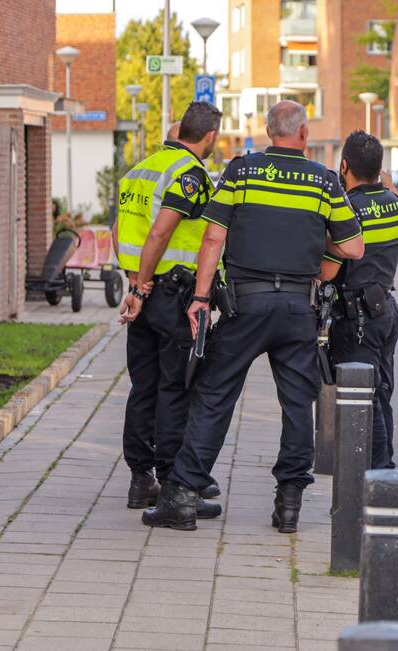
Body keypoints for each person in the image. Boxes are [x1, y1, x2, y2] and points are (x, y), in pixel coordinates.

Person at [144, 101, 364, 532]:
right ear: (303, 133)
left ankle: (183, 497)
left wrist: (201, 299)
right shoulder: (323, 181)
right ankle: (289, 504)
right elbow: (353, 247)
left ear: (268, 132)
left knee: (214, 394)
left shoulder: (242, 171)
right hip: (298, 307)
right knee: (297, 402)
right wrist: (312, 240)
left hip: (246, 304)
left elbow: (213, 237)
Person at [114, 101, 224, 515]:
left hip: (142, 292)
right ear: (209, 136)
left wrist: (133, 283)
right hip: (170, 296)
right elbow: (161, 232)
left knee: (144, 386)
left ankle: (140, 479)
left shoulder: (140, 169)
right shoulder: (189, 173)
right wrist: (143, 287)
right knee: (175, 388)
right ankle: (175, 480)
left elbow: (118, 230)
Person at [323, 130, 398, 470]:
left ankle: (380, 474)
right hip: (385, 310)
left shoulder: (348, 211)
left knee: (364, 397)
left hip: (355, 318)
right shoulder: (397, 205)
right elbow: (389, 191)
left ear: (344, 166)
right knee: (381, 392)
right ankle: (383, 466)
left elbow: (327, 273)